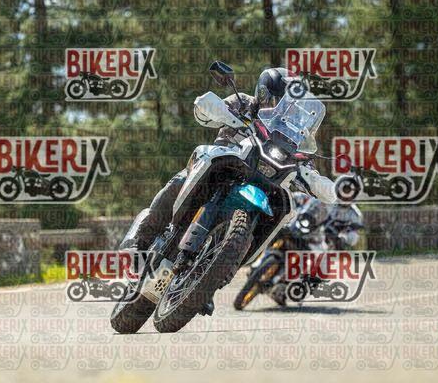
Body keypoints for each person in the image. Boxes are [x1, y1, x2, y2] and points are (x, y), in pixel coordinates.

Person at [119, 67, 336, 259]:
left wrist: (325, 186)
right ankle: (140, 242)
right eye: (279, 102)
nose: (283, 109)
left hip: (264, 181)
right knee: (180, 181)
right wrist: (213, 109)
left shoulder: (293, 142)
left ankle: (216, 273)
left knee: (279, 212)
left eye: (290, 107)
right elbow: (203, 114)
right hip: (220, 164)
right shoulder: (244, 103)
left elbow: (313, 176)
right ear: (264, 93)